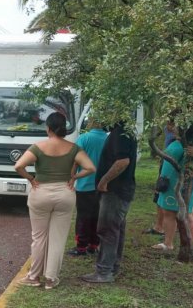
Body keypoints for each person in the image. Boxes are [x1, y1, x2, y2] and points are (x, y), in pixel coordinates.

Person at [14, 112, 96, 289]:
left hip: (41, 192)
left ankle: (34, 277)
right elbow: (90, 168)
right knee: (58, 237)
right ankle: (51, 279)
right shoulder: (74, 148)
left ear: (48, 128)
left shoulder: (38, 147)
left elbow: (18, 166)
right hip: (65, 193)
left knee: (39, 237)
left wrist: (31, 178)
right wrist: (74, 177)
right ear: (64, 129)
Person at [81, 122, 137, 283]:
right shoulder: (123, 131)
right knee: (116, 229)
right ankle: (112, 266)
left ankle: (104, 271)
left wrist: (104, 180)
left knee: (107, 230)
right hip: (121, 190)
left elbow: (123, 161)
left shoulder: (120, 133)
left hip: (115, 191)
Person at [152, 125, 193, 252]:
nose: (170, 127)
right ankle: (168, 244)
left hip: (185, 185)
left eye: (173, 125)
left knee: (187, 215)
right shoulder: (176, 141)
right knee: (168, 212)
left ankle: (189, 246)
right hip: (168, 185)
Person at [66, 119, 108, 256]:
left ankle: (81, 247)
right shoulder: (108, 139)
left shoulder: (84, 138)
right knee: (97, 216)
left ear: (91, 123)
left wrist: (72, 176)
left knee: (83, 216)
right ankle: (94, 245)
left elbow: (75, 160)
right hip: (103, 185)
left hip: (85, 184)